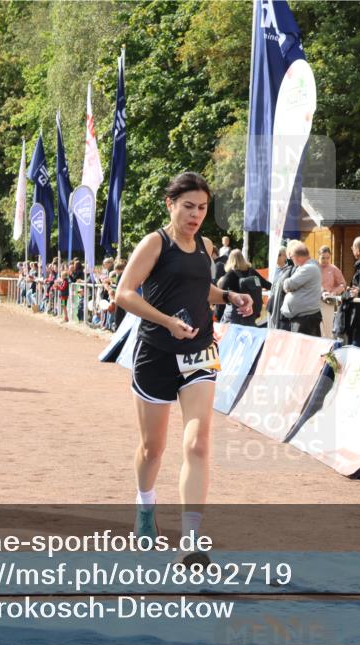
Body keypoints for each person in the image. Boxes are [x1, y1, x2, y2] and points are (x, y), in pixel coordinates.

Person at [114, 172, 253, 551]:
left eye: (202, 208)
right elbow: (124, 293)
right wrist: (166, 322)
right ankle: (145, 506)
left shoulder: (205, 245)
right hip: (155, 355)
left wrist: (228, 297)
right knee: (152, 448)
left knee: (197, 443)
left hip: (199, 352)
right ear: (170, 205)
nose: (195, 215)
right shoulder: (154, 243)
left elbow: (197, 287)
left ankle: (191, 538)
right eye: (188, 206)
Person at [280, 241, 323, 336]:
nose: (292, 260)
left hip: (305, 319)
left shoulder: (308, 268)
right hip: (303, 317)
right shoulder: (307, 267)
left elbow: (288, 284)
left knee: (304, 349)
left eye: (291, 258)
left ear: (297, 256)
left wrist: (287, 284)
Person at [218, 249, 271, 326]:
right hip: (251, 313)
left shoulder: (230, 275)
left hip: (235, 316)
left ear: (230, 260)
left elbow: (221, 295)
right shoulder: (252, 272)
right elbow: (267, 285)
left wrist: (218, 314)